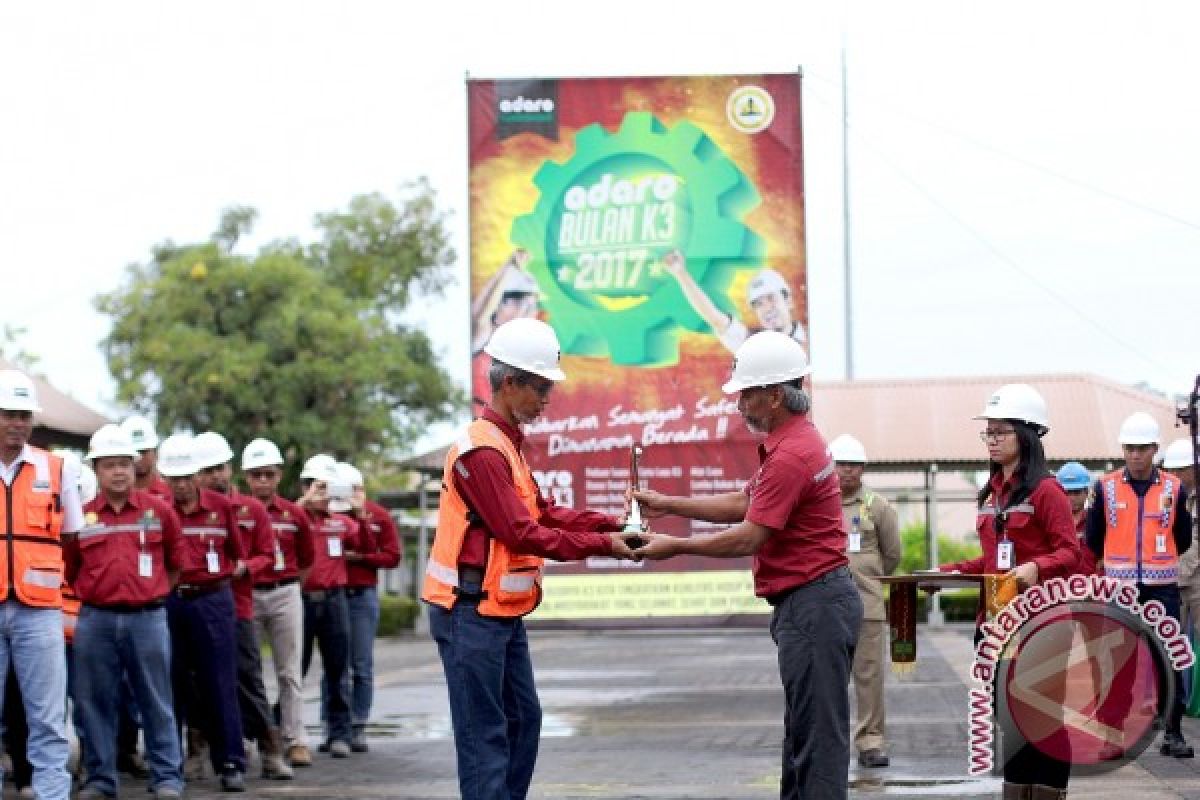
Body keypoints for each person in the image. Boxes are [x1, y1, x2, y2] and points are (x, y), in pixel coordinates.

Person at [631, 331, 859, 799]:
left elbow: (751, 534)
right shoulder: (795, 442)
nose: (739, 405)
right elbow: (745, 503)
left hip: (814, 606)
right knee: (804, 738)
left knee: (816, 746)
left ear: (776, 395)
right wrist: (667, 503)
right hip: (814, 604)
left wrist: (673, 546)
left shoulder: (792, 454)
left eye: (747, 394)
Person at [423, 317, 638, 800]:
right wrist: (606, 546)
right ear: (510, 382)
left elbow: (543, 512)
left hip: (497, 612)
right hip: (469, 613)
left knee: (522, 721)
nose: (547, 400)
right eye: (540, 388)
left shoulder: (507, 447)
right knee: (485, 738)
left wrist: (611, 524)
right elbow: (521, 532)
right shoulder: (481, 453)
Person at [937, 384, 1079, 797]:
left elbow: (1071, 552)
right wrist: (944, 573)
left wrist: (1038, 566)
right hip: (998, 625)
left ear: (1028, 435)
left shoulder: (1047, 491)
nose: (992, 440)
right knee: (1012, 721)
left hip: (1043, 625)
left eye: (1000, 431)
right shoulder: (991, 492)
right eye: (989, 432)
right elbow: (991, 563)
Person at [66, 425, 185, 800]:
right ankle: (101, 779)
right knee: (93, 702)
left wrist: (151, 593)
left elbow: (176, 564)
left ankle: (167, 777)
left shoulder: (160, 511)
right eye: (109, 465)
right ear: (96, 470)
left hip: (147, 618)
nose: (118, 471)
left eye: (124, 464)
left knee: (156, 698)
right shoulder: (80, 518)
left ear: (135, 468)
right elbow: (71, 569)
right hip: (95, 620)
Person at [1086, 413, 1194, 759]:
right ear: (1123, 449)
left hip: (1162, 589)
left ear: (1154, 450)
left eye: (1142, 449)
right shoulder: (1105, 487)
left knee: (1170, 658)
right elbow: (1093, 536)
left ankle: (1173, 733)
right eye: (1130, 449)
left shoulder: (1174, 489)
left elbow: (1183, 536)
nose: (1135, 455)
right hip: (1120, 590)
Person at [0, 369, 84, 800]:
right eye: (8, 415)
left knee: (48, 720)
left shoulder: (58, 468)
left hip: (40, 612)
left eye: (24, 416)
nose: (17, 423)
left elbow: (71, 538)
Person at [192, 431, 293, 780]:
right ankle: (197, 749)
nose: (214, 476)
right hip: (198, 605)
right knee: (197, 682)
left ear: (230, 469)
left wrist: (244, 567)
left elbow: (268, 554)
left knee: (247, 679)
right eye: (206, 470)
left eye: (219, 468)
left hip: (239, 605)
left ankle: (270, 749)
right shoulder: (189, 511)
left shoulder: (251, 510)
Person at [158, 433, 249, 792]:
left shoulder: (221, 507)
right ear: (164, 479)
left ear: (197, 475)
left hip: (213, 600)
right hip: (171, 600)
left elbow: (236, 553)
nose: (180, 485)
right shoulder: (157, 510)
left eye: (186, 477)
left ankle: (230, 761)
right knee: (172, 683)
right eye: (173, 478)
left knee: (220, 681)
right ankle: (170, 764)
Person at [242, 437, 316, 768]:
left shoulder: (294, 513)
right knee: (247, 671)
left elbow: (307, 557)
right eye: (256, 474)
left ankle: (295, 739)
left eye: (268, 474)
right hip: (247, 593)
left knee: (289, 671)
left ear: (279, 476)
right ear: (246, 477)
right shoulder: (238, 511)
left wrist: (289, 585)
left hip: (285, 591)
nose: (262, 481)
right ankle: (247, 737)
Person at [828, 433, 901, 769]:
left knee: (869, 677)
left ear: (863, 468)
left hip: (867, 607)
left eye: (854, 465)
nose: (847, 471)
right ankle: (827, 743)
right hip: (825, 608)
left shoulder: (878, 506)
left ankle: (870, 742)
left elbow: (892, 556)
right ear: (830, 466)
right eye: (841, 464)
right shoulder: (818, 503)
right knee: (827, 679)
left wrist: (865, 580)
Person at [296, 460, 355, 758]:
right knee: (295, 669)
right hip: (302, 600)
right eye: (316, 486)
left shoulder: (339, 521)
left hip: (335, 600)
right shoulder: (296, 518)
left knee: (337, 669)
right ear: (305, 487)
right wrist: (304, 502)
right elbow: (276, 526)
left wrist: (359, 505)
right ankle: (286, 732)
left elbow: (366, 539)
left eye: (325, 487)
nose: (322, 493)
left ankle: (339, 733)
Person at [340, 462, 401, 752]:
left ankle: (358, 725)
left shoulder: (378, 516)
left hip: (363, 595)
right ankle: (335, 726)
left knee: (361, 665)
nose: (350, 495)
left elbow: (392, 557)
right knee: (335, 664)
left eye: (356, 489)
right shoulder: (329, 516)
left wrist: (362, 558)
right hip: (335, 594)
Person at [661, 250, 808, 354]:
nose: (767, 308)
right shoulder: (752, 345)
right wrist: (680, 273)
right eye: (758, 304)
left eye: (771, 298)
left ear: (788, 300)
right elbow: (715, 318)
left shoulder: (814, 340)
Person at [471, 249, 541, 414]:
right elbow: (480, 313)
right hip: (482, 427)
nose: (523, 311)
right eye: (516, 302)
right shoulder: (484, 337)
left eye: (529, 305)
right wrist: (507, 268)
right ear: (499, 305)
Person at [1164, 438, 1200, 630]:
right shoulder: (1164, 496)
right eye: (1170, 470)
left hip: (1197, 579)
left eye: (1180, 470)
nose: (1174, 475)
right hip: (1170, 578)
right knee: (1171, 640)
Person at [1056, 461, 1097, 575]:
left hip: (1092, 587)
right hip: (1059, 587)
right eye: (1067, 492)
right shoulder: (1051, 522)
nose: (1071, 498)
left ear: (1086, 492)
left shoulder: (1096, 520)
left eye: (1077, 492)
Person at [121, 415, 170, 501]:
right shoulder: (114, 495)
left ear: (155, 453)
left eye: (143, 451)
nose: (139, 458)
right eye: (134, 452)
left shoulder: (170, 493)